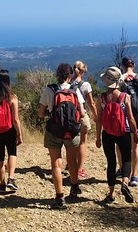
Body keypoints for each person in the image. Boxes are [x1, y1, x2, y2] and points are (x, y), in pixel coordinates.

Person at [38, 63, 87, 209]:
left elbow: (40, 113)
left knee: (56, 163)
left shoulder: (50, 89)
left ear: (57, 75)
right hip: (71, 131)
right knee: (72, 160)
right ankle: (74, 187)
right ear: (69, 76)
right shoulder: (75, 90)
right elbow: (83, 113)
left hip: (54, 130)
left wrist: (50, 114)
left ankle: (59, 198)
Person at [95, 66, 138, 204]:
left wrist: (98, 137)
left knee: (111, 162)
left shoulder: (101, 98)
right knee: (126, 159)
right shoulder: (124, 97)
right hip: (123, 131)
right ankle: (125, 183)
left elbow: (99, 119)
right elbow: (131, 118)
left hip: (107, 133)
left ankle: (111, 193)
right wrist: (135, 133)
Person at [116, 57, 138, 187]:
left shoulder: (120, 79)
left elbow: (115, 97)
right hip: (137, 113)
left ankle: (122, 170)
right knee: (135, 145)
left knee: (120, 145)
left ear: (123, 66)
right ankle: (134, 176)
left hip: (123, 114)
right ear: (133, 65)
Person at [69, 61, 98, 179]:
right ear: (83, 71)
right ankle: (79, 169)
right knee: (82, 142)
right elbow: (90, 102)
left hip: (70, 117)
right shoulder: (86, 85)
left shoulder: (68, 83)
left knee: (72, 142)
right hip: (82, 115)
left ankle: (70, 164)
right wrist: (96, 116)